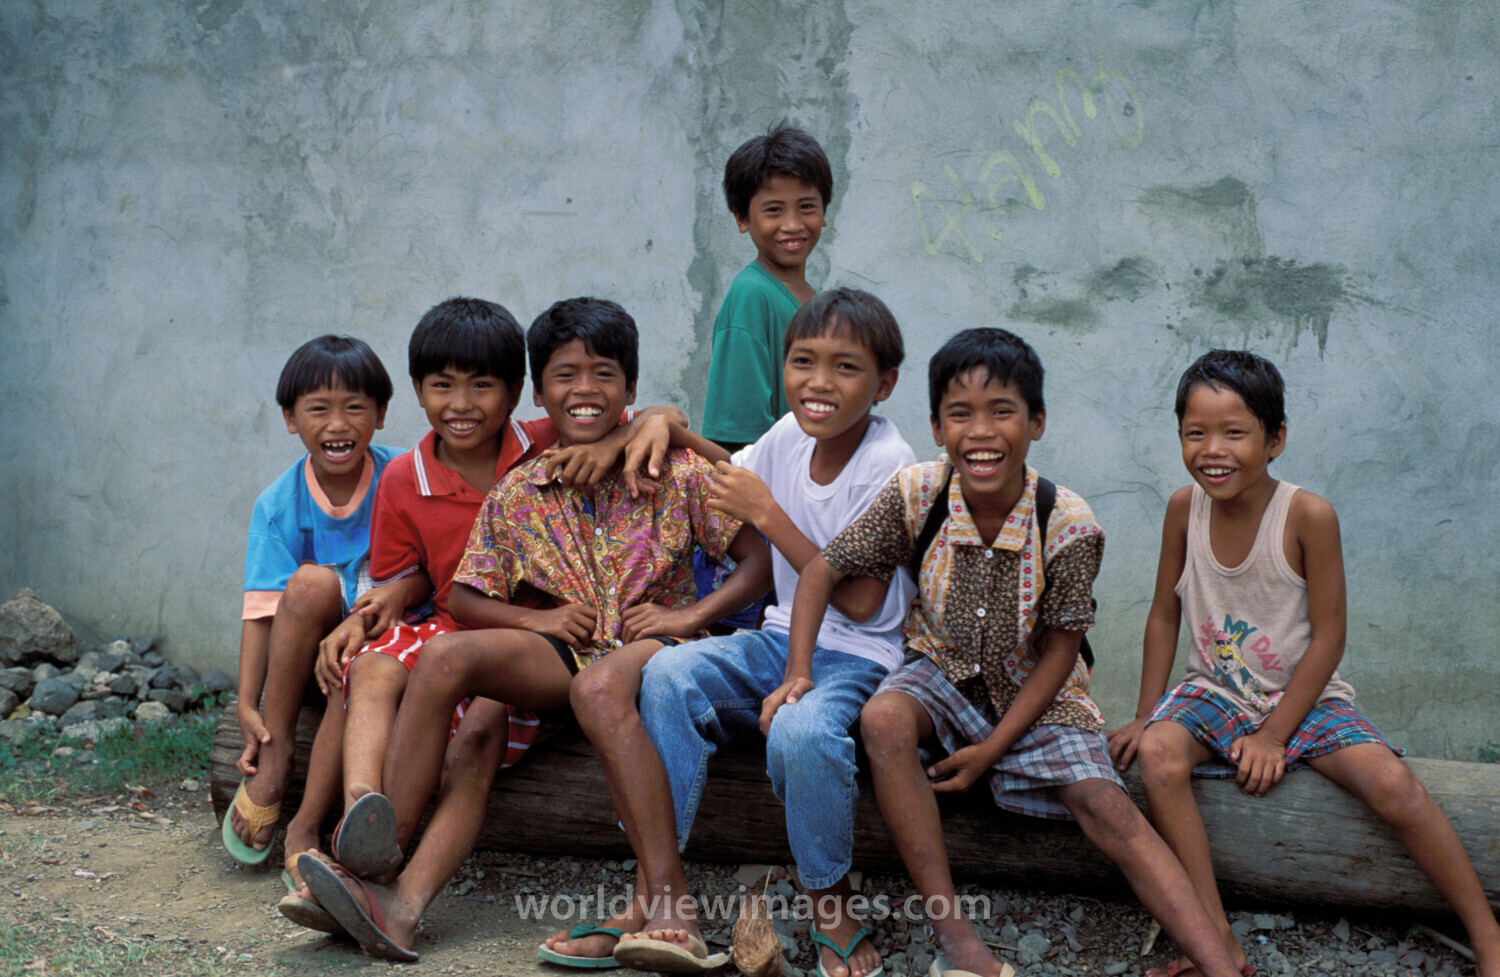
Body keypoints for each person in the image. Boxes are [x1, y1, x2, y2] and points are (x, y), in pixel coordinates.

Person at [299, 296, 769, 962]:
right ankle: (382, 872)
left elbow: (759, 556)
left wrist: (687, 615)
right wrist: (538, 618)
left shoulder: (673, 469)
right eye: (565, 376)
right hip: (563, 650)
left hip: (653, 645)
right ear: (540, 396)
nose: (585, 389)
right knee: (444, 657)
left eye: (604, 373)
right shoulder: (521, 488)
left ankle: (669, 898)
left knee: (598, 688)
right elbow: (461, 592)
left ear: (630, 388)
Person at [792, 328, 1245, 977]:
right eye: (960, 413)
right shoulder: (917, 493)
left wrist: (993, 748)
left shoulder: (1067, 522)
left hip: (1038, 691)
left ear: (1036, 421)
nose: (981, 431)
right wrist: (799, 673)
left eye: (1001, 410)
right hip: (939, 675)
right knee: (883, 718)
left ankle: (1220, 963)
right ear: (936, 424)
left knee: (1109, 805)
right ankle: (961, 943)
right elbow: (822, 571)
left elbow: (1062, 650)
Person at [549, 287, 914, 976]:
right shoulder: (790, 435)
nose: (819, 382)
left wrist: (770, 516)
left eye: (845, 367)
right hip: (777, 641)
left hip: (859, 657)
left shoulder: (887, 461)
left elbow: (864, 601)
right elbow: (727, 466)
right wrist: (665, 420)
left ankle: (830, 900)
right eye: (803, 361)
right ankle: (656, 892)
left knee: (803, 733)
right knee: (667, 673)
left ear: (884, 382)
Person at [1105, 349, 1500, 977]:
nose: (1213, 449)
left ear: (1275, 439)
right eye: (1195, 433)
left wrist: (1273, 734)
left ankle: (1488, 936)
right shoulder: (1184, 508)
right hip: (1214, 691)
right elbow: (1162, 614)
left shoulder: (1307, 515)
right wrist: (1146, 714)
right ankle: (1214, 941)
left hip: (1304, 696)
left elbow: (1330, 638)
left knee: (1394, 783)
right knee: (1155, 755)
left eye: (1234, 432)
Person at [224, 335, 408, 877]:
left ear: (380, 415)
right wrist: (245, 703)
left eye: (355, 407)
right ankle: (277, 757)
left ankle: (306, 825)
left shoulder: (402, 477)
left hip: (381, 644)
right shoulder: (279, 504)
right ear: (289, 418)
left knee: (355, 666)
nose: (338, 423)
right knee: (308, 584)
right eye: (318, 409)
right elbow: (260, 612)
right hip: (305, 654)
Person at [701, 123, 832, 452]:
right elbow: (738, 440)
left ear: (824, 213)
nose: (792, 224)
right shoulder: (752, 295)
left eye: (806, 207)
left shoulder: (811, 298)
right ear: (742, 218)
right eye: (774, 210)